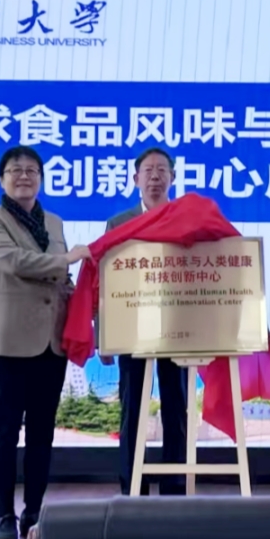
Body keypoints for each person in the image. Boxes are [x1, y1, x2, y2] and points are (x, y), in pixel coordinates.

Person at [0, 145, 91, 539]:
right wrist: (68, 260)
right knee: (5, 431)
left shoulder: (54, 222)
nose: (24, 176)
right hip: (10, 341)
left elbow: (60, 279)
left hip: (51, 342)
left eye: (31, 170)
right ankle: (4, 513)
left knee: (42, 432)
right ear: (2, 179)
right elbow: (15, 262)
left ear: (41, 178)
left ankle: (34, 510)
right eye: (15, 170)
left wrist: (83, 298)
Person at [102, 147, 188, 496]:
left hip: (181, 330)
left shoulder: (188, 218)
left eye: (162, 170)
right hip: (131, 331)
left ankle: (175, 487)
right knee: (133, 411)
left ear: (173, 177)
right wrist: (104, 335)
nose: (155, 177)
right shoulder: (118, 223)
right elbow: (104, 282)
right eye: (148, 171)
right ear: (136, 178)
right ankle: (132, 488)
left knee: (176, 410)